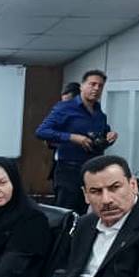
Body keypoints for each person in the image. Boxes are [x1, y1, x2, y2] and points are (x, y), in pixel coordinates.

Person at [35, 69, 118, 214]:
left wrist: (110, 137)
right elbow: (41, 131)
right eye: (92, 84)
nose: (96, 89)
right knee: (65, 215)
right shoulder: (65, 107)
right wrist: (72, 137)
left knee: (85, 214)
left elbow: (101, 138)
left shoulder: (99, 113)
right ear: (82, 86)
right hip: (69, 171)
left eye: (100, 86)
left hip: (92, 172)